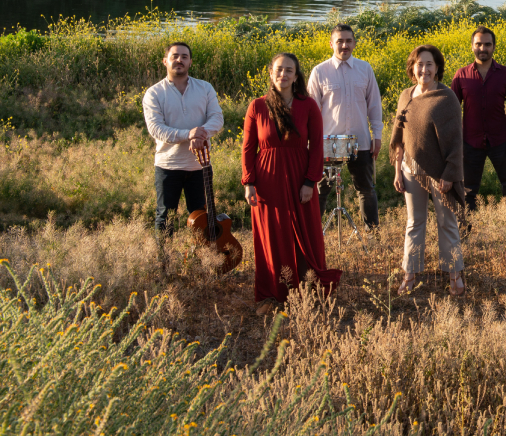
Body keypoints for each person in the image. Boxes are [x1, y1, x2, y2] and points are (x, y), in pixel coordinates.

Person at [242, 53, 341, 314]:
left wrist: (310, 181)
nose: (283, 74)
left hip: (299, 175)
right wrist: (249, 182)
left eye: (289, 70)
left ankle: (307, 288)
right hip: (267, 179)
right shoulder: (257, 106)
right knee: (271, 233)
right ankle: (272, 293)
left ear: (296, 76)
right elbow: (248, 148)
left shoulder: (308, 105)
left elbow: (317, 146)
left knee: (304, 232)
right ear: (271, 73)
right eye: (278, 70)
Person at [390, 45, 467, 297]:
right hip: (410, 168)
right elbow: (399, 137)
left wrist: (449, 174)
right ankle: (410, 274)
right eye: (419, 64)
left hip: (441, 172)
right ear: (413, 67)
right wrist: (398, 171)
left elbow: (456, 142)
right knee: (415, 222)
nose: (424, 69)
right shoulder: (406, 95)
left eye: (429, 64)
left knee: (447, 221)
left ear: (437, 68)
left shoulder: (447, 99)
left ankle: (454, 274)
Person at [142, 42, 224, 238]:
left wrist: (200, 133)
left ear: (190, 61)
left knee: (201, 217)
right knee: (165, 217)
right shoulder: (154, 93)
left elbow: (217, 119)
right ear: (165, 61)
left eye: (184, 56)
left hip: (200, 166)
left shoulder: (204, 88)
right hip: (168, 166)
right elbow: (157, 129)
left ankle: (202, 261)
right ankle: (165, 264)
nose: (179, 60)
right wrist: (190, 134)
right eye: (175, 56)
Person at [307, 23, 383, 230]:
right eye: (340, 41)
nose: (344, 45)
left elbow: (374, 105)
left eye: (348, 41)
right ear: (331, 44)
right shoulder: (319, 71)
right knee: (322, 190)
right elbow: (311, 112)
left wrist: (377, 136)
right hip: (330, 142)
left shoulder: (365, 69)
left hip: (360, 141)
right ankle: (313, 233)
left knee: (366, 189)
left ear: (354, 43)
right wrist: (312, 144)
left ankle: (372, 234)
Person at [450, 26, 506, 215]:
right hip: (470, 142)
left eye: (487, 44)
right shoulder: (461, 75)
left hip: (501, 141)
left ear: (494, 46)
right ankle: (467, 230)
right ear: (472, 46)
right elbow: (451, 110)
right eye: (478, 44)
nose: (483, 48)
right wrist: (455, 142)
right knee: (467, 190)